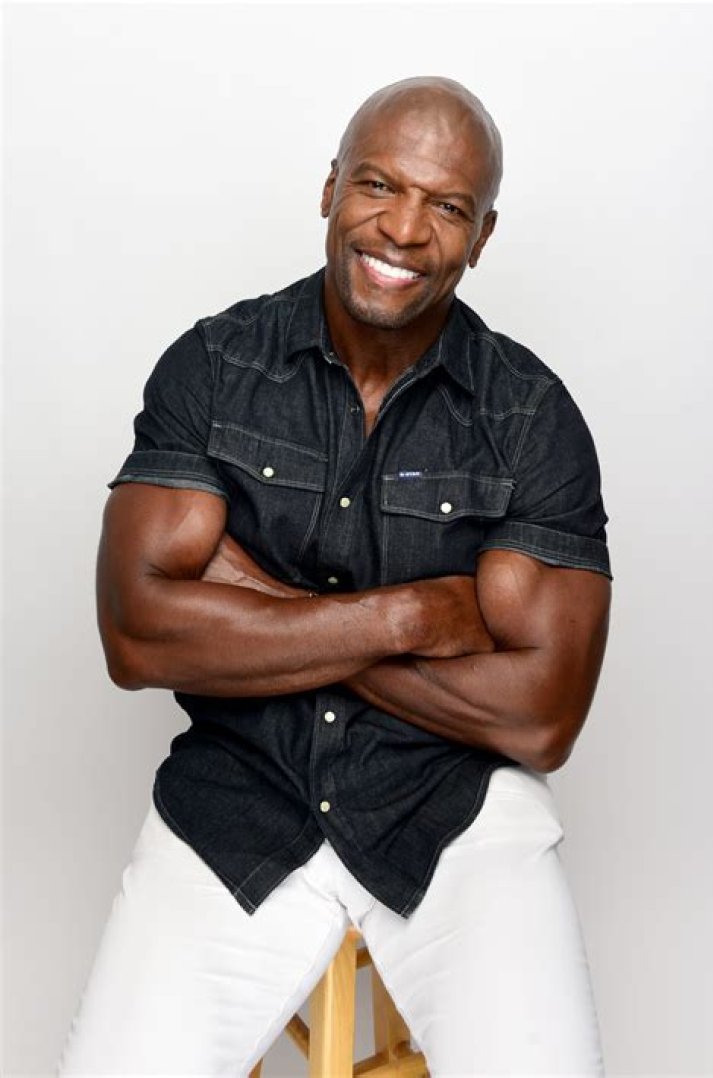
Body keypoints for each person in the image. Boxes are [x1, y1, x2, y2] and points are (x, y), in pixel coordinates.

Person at [60, 76, 611, 1075]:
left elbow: (541, 718)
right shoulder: (216, 366)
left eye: (447, 206)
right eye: (378, 185)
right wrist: (414, 614)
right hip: (235, 807)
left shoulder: (530, 416)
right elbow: (136, 637)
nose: (403, 228)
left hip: (454, 820)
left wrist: (258, 603)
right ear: (330, 188)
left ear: (482, 236)